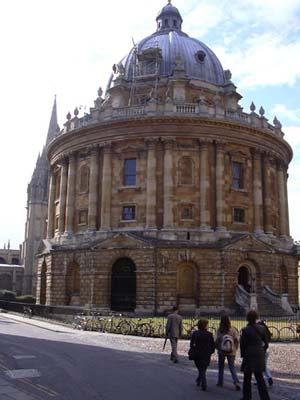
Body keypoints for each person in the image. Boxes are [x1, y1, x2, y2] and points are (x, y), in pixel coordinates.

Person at [240, 310, 270, 400]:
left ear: (247, 318)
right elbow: (266, 343)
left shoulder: (245, 330)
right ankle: (265, 398)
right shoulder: (262, 328)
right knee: (259, 377)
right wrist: (261, 350)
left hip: (249, 354)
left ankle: (247, 397)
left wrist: (243, 354)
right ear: (256, 317)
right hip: (259, 353)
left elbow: (243, 345)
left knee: (247, 377)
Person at [215, 315, 240, 390]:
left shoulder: (219, 330)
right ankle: (236, 381)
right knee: (232, 367)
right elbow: (236, 340)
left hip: (221, 350)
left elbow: (216, 340)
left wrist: (218, 348)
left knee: (221, 367)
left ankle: (220, 382)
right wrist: (236, 348)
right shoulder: (233, 329)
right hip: (231, 350)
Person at [189, 319, 215, 391]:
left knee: (200, 368)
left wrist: (192, 350)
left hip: (197, 354)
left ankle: (200, 379)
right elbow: (212, 345)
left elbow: (191, 344)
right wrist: (211, 351)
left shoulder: (195, 333)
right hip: (206, 354)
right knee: (203, 368)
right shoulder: (209, 334)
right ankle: (203, 383)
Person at [257, 320, 273, 387]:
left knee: (261, 366)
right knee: (263, 366)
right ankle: (261, 380)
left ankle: (268, 378)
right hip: (266, 351)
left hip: (262, 350)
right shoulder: (266, 333)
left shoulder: (260, 333)